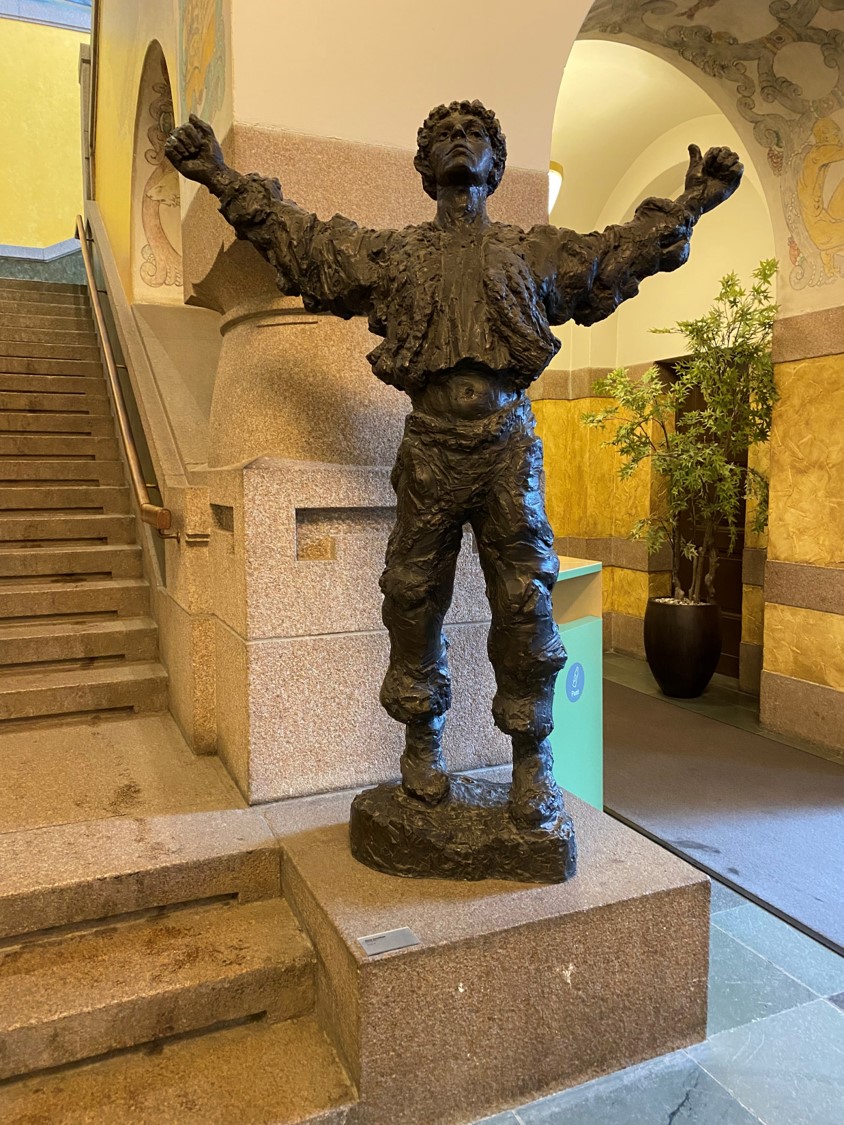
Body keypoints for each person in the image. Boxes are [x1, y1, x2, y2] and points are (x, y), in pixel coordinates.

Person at [165, 101, 742, 829]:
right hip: (432, 448)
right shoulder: (396, 256)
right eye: (445, 137)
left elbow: (612, 254)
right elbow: (304, 242)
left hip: (508, 448)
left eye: (475, 136)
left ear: (497, 166)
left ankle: (532, 759)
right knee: (411, 594)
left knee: (525, 599)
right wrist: (218, 174)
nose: (461, 144)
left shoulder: (532, 253)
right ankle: (421, 745)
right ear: (424, 166)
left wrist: (693, 203)